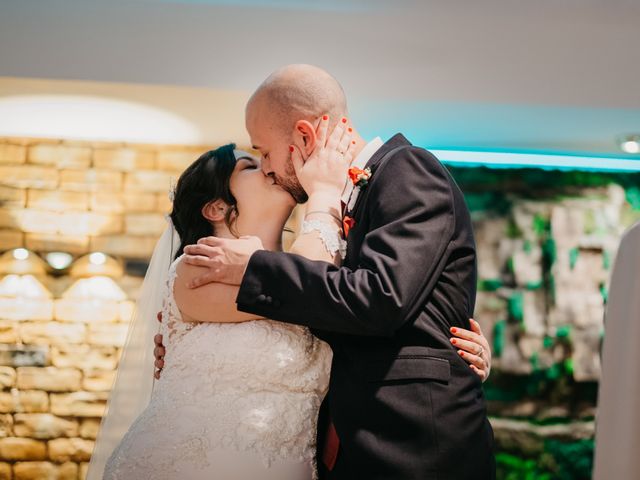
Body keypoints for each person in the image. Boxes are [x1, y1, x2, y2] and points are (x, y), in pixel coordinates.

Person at [90, 138, 489, 479]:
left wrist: (451, 352)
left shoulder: (317, 280)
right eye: (249, 163)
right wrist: (324, 196)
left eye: (262, 154)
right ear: (215, 207)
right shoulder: (201, 263)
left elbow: (356, 310)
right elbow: (300, 289)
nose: (266, 166)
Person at [176, 64, 496, 479]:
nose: (267, 168)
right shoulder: (331, 211)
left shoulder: (407, 170)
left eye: (265, 152)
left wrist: (253, 266)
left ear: (305, 136)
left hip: (414, 447)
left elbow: (380, 298)